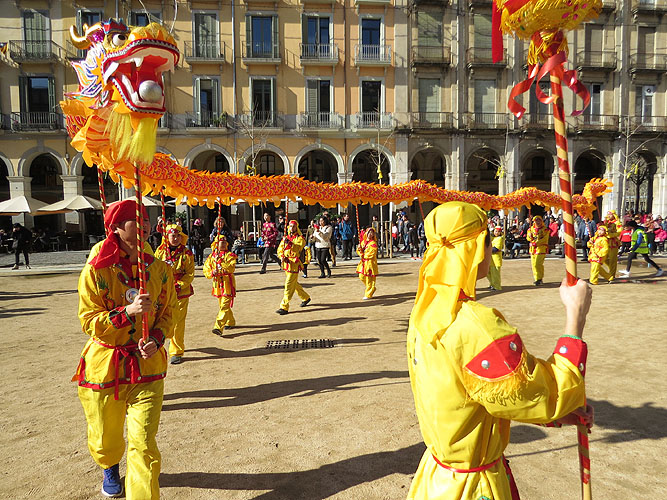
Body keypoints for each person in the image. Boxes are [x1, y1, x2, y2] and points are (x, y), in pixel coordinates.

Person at [406, 201, 593, 500]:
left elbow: (482, 398)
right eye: (487, 240)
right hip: (472, 487)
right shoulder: (477, 325)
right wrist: (575, 318)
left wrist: (559, 417)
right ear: (476, 249)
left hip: (437, 478)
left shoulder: (424, 313)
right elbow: (543, 393)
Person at [74, 199, 176, 499]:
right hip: (106, 367)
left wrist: (156, 338)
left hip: (147, 366)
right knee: (105, 438)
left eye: (146, 219)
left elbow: (168, 312)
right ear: (116, 227)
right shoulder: (96, 269)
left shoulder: (159, 269)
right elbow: (89, 321)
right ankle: (109, 465)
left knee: (143, 444)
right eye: (135, 219)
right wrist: (127, 312)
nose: (144, 224)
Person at [155, 224, 195, 364]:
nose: (176, 238)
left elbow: (190, 273)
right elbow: (155, 270)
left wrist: (179, 285)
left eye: (178, 236)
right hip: (163, 292)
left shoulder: (187, 253)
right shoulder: (160, 252)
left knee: (178, 322)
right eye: (173, 236)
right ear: (167, 237)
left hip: (180, 293)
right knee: (161, 319)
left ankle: (176, 351)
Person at [203, 235, 238, 335]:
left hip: (227, 284)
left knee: (224, 305)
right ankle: (230, 321)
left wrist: (221, 262)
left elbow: (231, 268)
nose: (223, 244)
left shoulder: (230, 255)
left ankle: (218, 327)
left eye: (224, 242)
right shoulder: (211, 257)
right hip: (217, 284)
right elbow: (206, 269)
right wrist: (211, 273)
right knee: (222, 305)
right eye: (220, 242)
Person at [276, 220, 310, 314]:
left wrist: (290, 243)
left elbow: (298, 247)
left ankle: (284, 306)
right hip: (286, 264)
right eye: (290, 226)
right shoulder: (285, 238)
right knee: (294, 284)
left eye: (294, 226)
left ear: (296, 228)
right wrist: (281, 256)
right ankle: (305, 297)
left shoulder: (300, 238)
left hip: (294, 264)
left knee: (288, 285)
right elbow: (280, 249)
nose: (292, 228)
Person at [356, 227, 379, 299]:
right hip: (363, 263)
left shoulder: (373, 243)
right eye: (369, 232)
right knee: (361, 276)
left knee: (369, 278)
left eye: (372, 233)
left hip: (370, 263)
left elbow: (372, 253)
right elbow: (359, 251)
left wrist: (364, 255)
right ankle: (371, 288)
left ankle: (368, 294)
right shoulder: (363, 242)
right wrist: (360, 250)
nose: (370, 234)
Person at [526, 215, 549, 285]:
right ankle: (537, 279)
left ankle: (539, 278)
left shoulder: (545, 230)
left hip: (541, 249)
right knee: (533, 265)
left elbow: (545, 239)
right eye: (536, 220)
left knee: (538, 264)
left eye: (539, 220)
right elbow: (528, 238)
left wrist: (536, 243)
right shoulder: (530, 229)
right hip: (532, 249)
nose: (538, 222)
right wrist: (530, 236)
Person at [487, 226, 504, 290]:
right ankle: (492, 284)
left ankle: (497, 286)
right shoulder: (493, 238)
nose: (497, 233)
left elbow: (495, 249)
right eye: (496, 231)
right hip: (490, 259)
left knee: (495, 274)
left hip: (496, 259)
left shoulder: (500, 238)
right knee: (489, 273)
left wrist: (486, 250)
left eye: (498, 231)